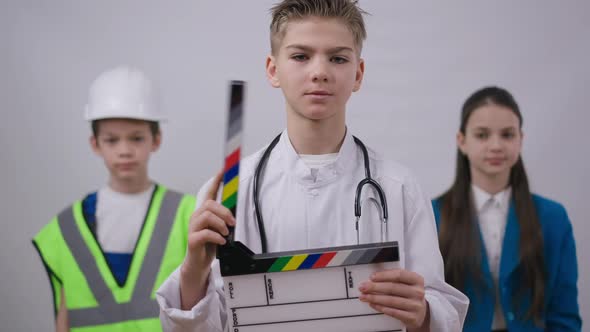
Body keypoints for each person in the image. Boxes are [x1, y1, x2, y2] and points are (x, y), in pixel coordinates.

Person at [157, 1, 468, 331]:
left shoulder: (398, 187)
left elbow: (441, 310)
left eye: (337, 58)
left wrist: (423, 313)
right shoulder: (230, 191)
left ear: (358, 73)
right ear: (273, 69)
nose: (319, 71)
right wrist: (193, 271)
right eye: (301, 56)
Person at [32, 66, 196, 331]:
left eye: (136, 138)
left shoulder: (188, 214)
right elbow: (63, 318)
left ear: (156, 140)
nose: (125, 151)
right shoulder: (66, 229)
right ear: (95, 143)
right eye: (112, 140)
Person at [432, 86, 581, 331]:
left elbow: (564, 313)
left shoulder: (553, 217)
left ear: (521, 139)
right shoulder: (434, 215)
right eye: (482, 135)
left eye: (507, 135)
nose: (496, 146)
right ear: (462, 141)